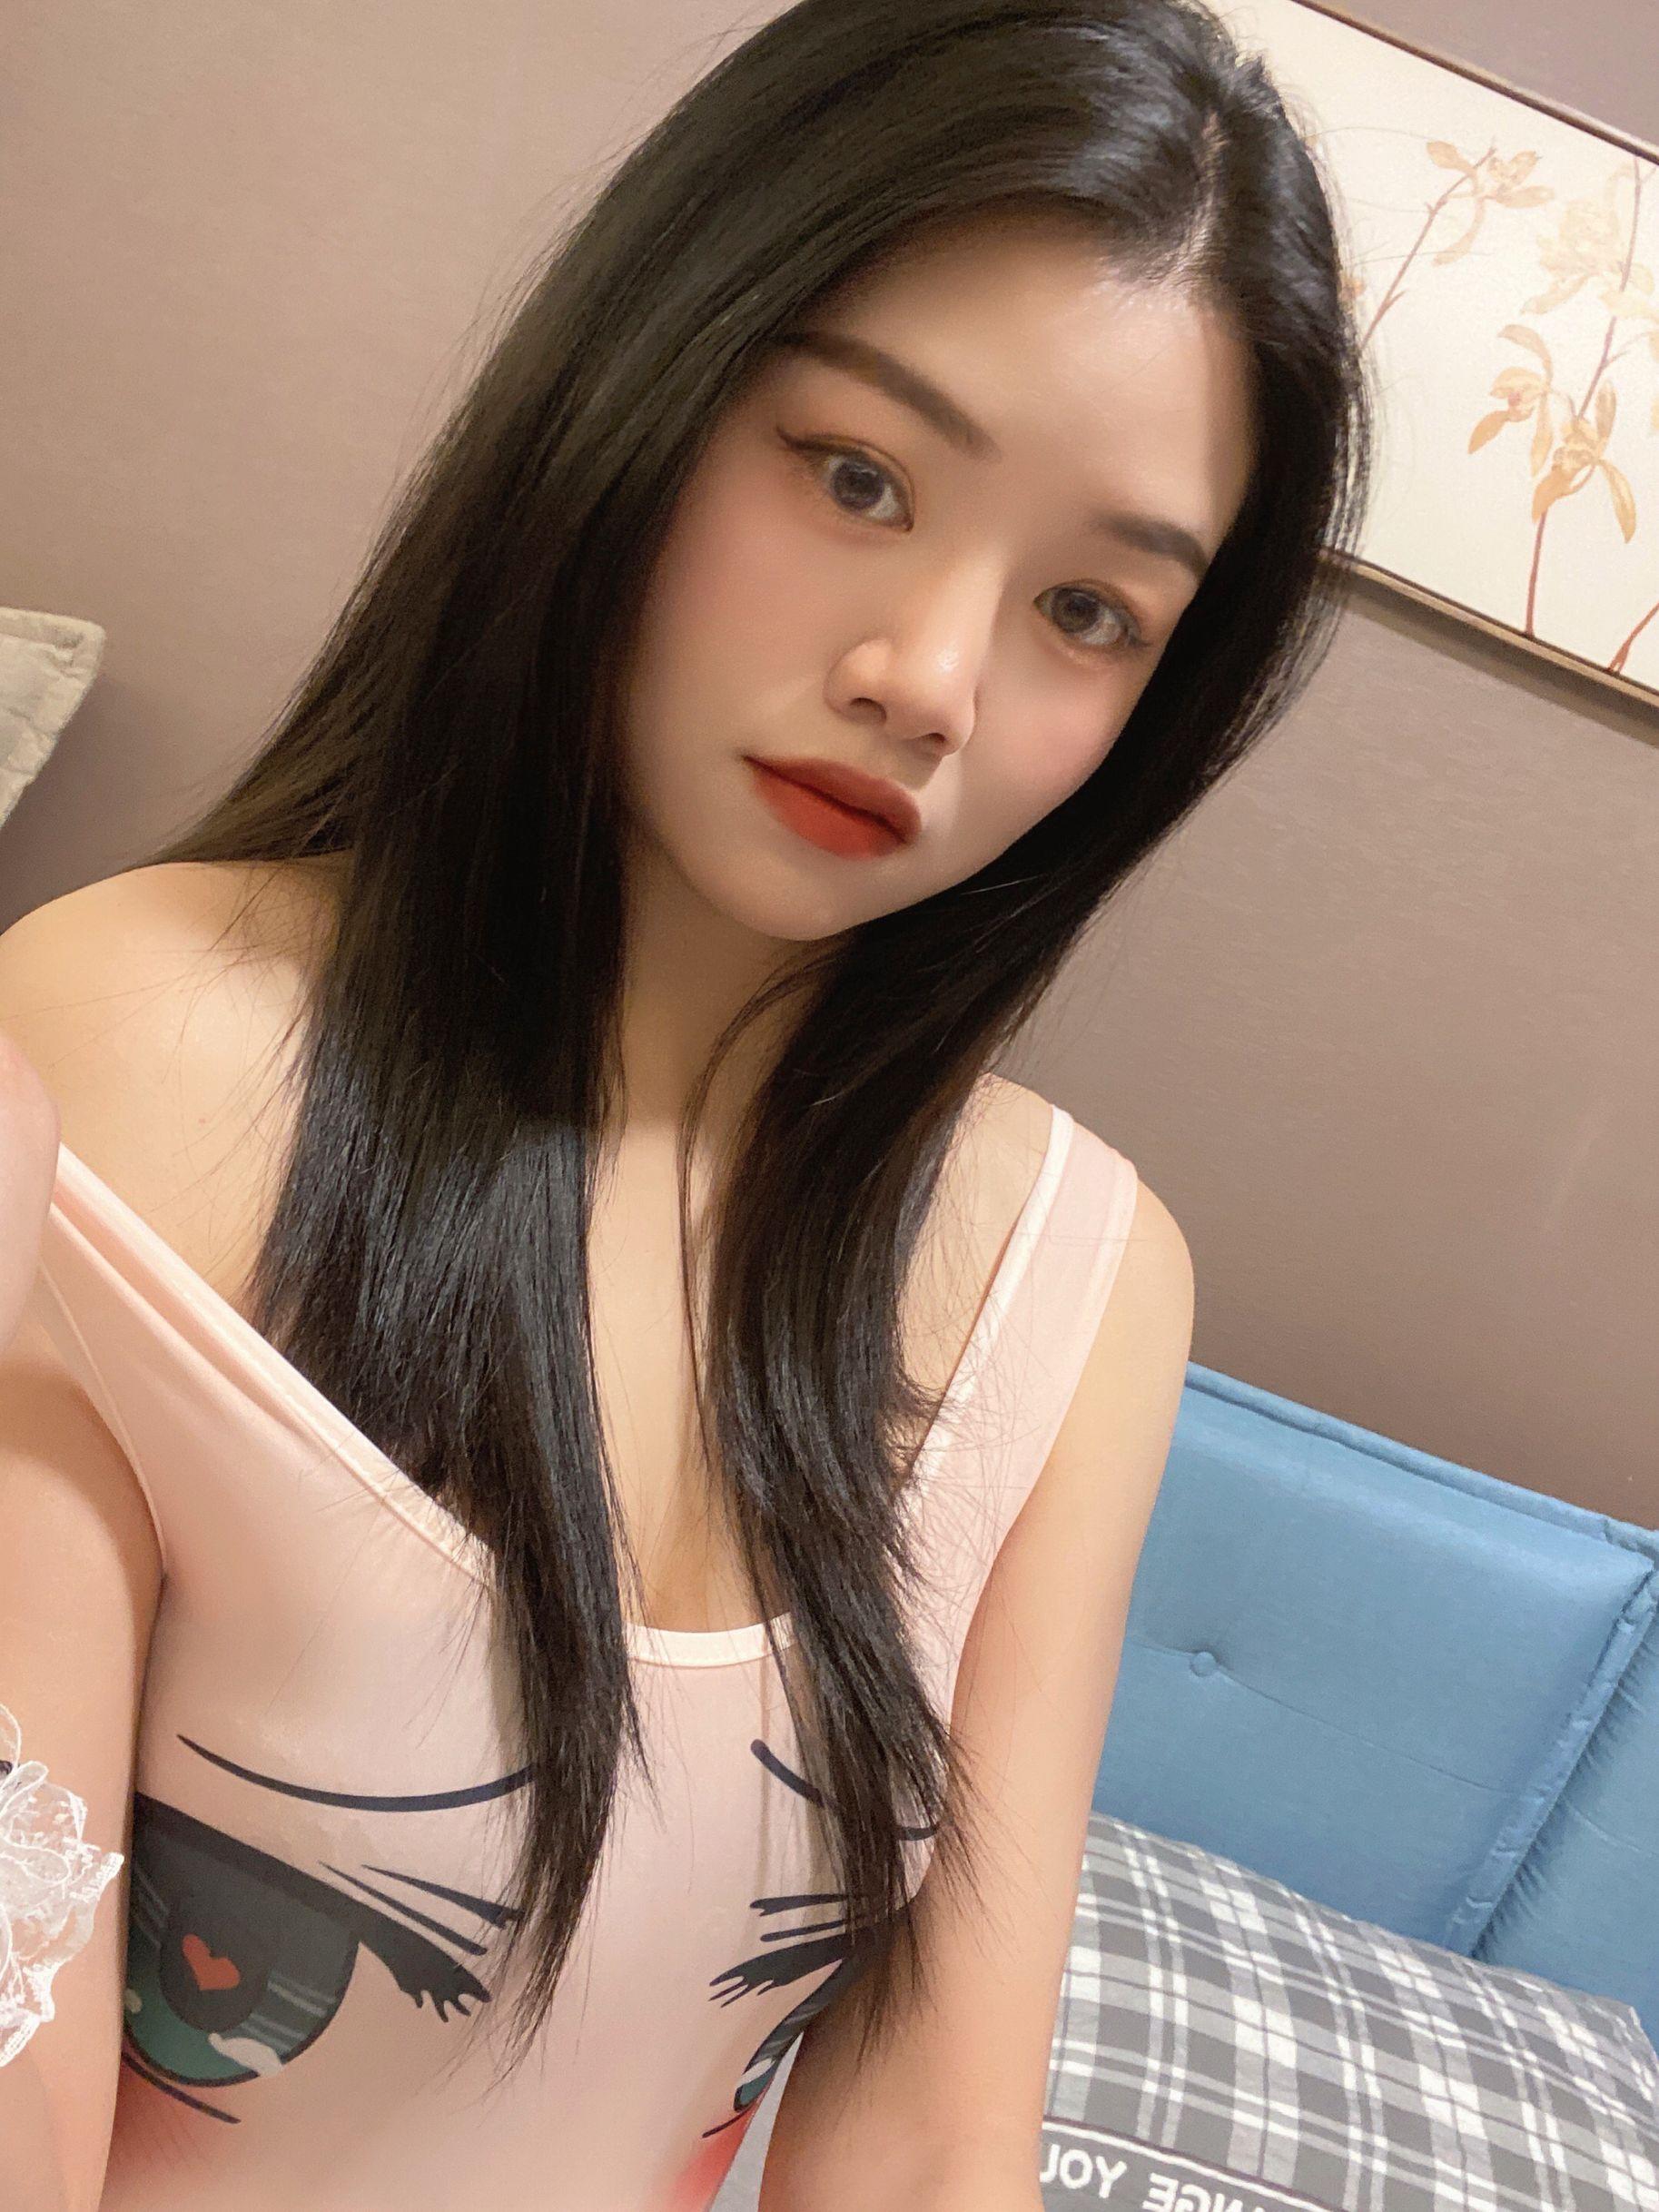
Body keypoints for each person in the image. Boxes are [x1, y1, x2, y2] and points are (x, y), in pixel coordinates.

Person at [0, 0, 1374, 2204]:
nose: (927, 679)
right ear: (645, 380)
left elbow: (925, 2144)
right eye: (856, 477)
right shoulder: (128, 1053)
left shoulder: (1071, 1281)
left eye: (1086, 609)